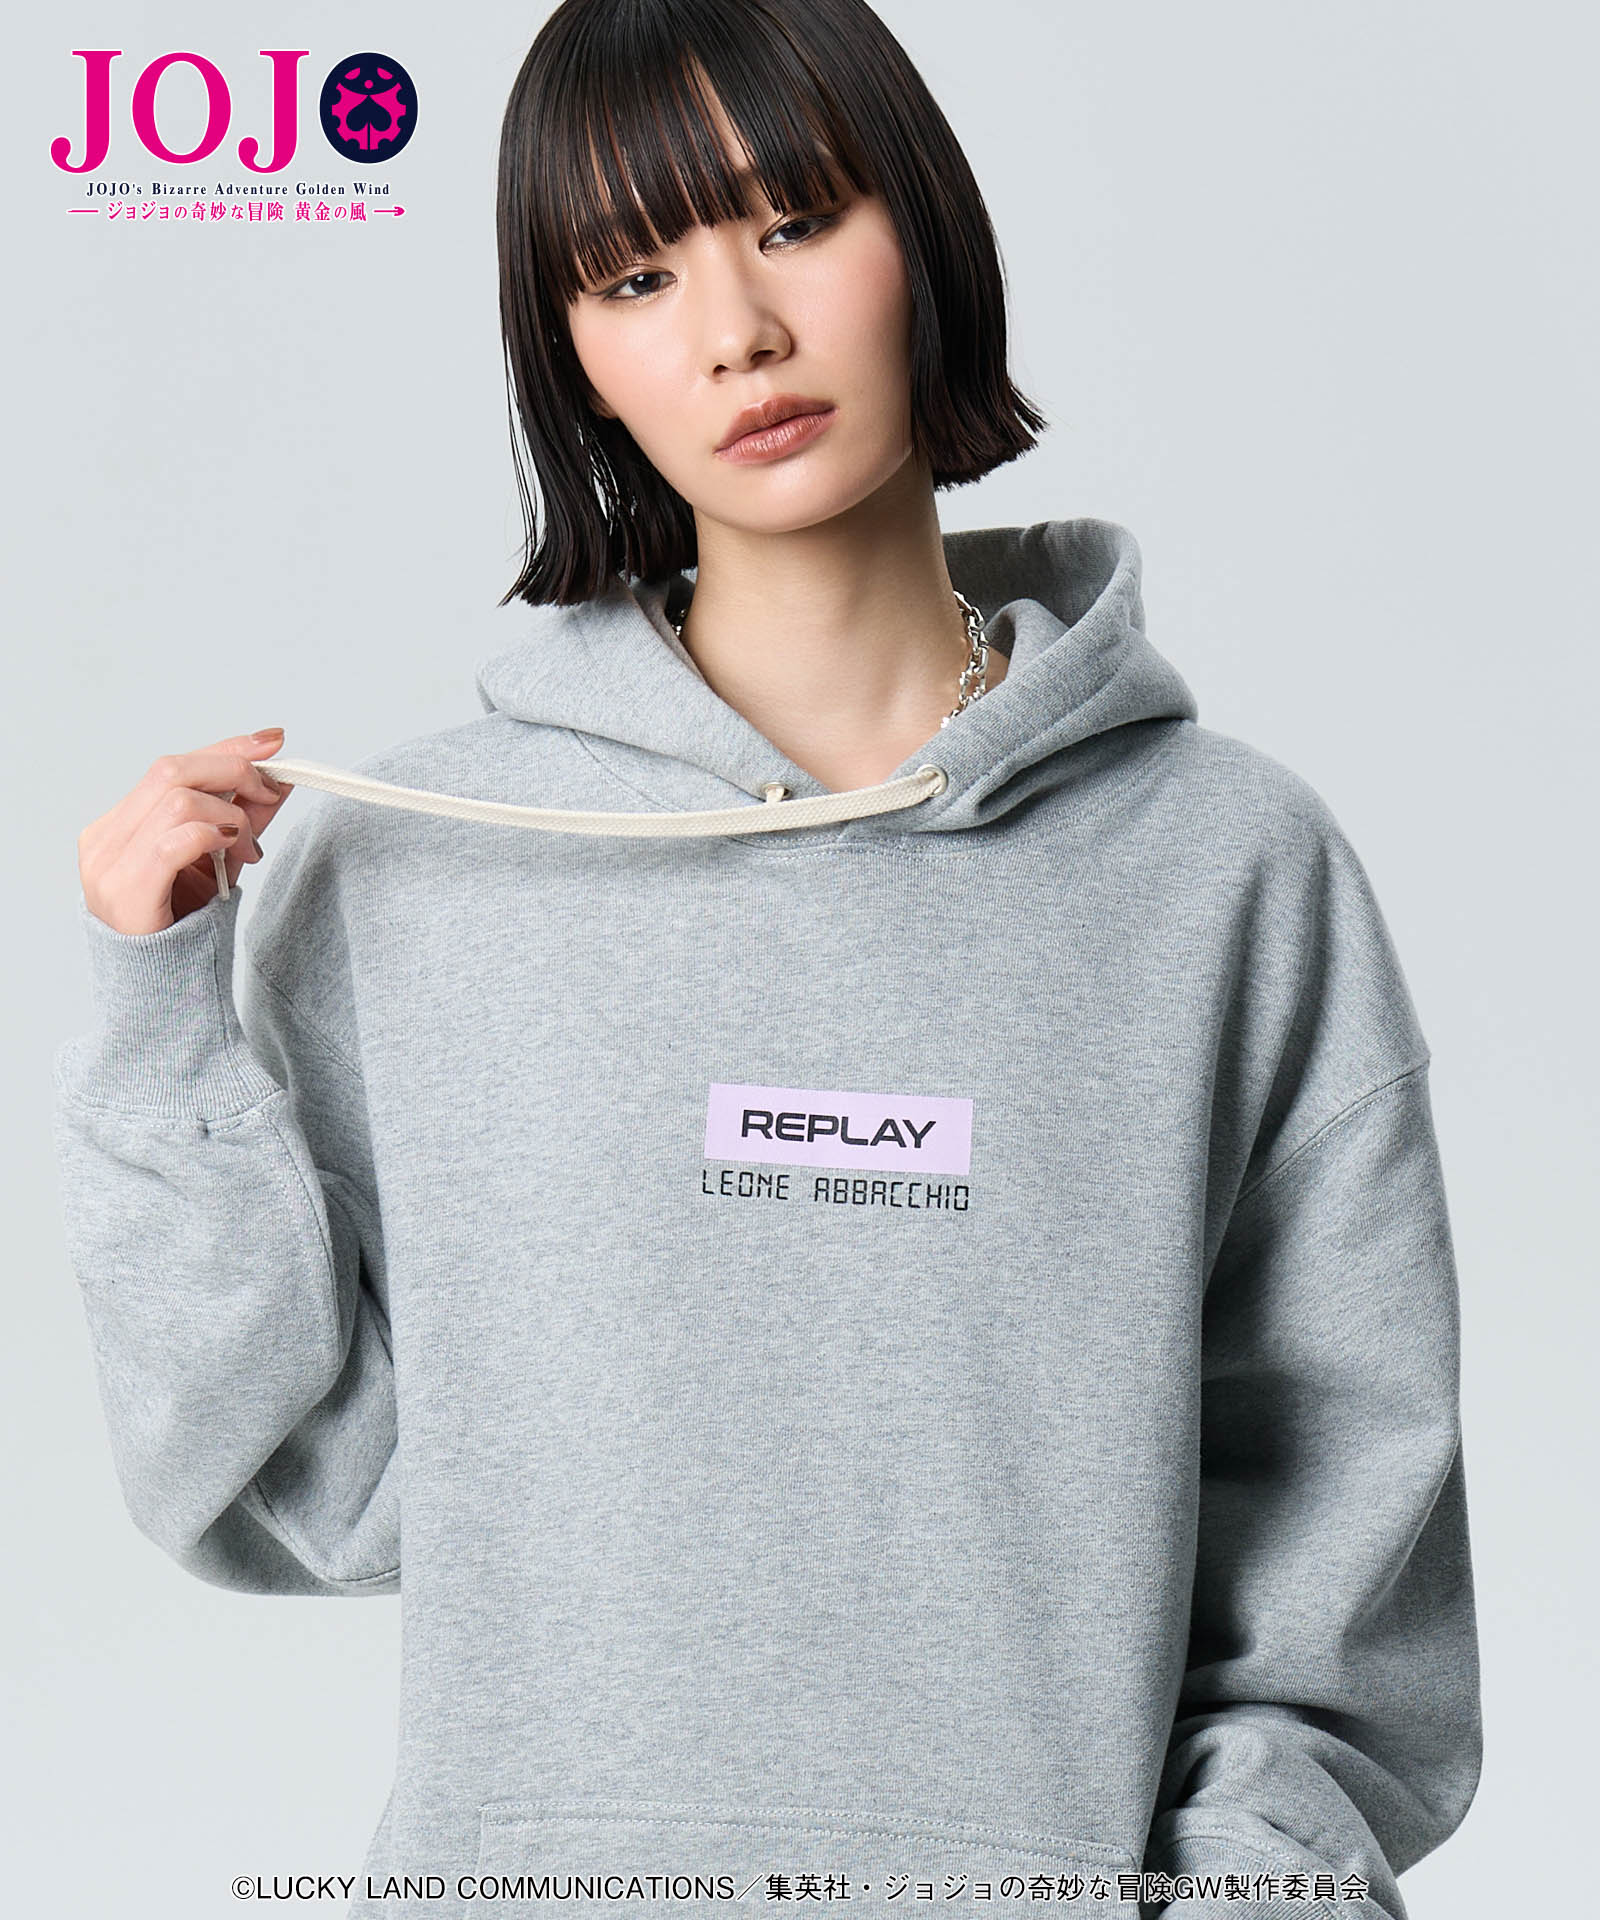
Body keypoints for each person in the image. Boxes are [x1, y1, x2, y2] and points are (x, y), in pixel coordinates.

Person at [50, 1, 1481, 1915]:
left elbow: (1343, 1562)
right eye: (633, 275)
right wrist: (160, 1032)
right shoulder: (418, 863)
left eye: (794, 219)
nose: (734, 329)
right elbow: (302, 1491)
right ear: (573, 357)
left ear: (929, 237)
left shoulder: (1227, 866)